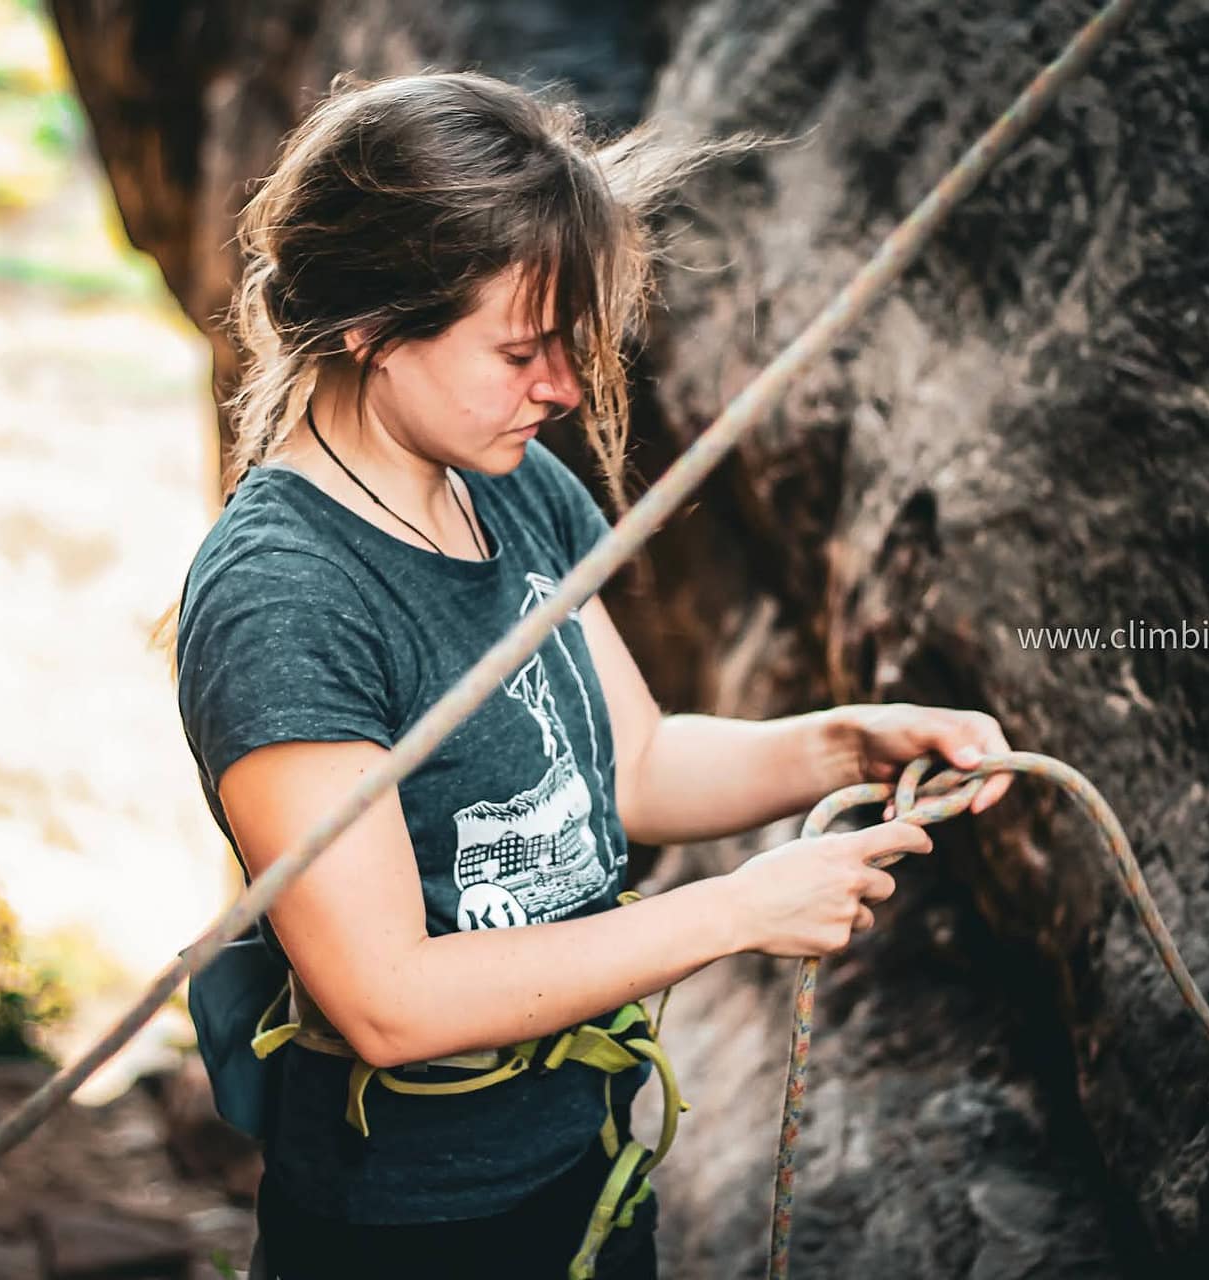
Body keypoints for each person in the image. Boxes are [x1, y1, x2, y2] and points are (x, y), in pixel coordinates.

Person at [171, 69, 1014, 1279]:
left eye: (568, 346)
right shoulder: (285, 598)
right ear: (365, 324)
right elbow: (384, 999)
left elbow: (631, 763)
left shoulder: (507, 481)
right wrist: (735, 909)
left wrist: (843, 743)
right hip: (407, 1227)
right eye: (518, 348)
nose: (561, 387)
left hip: (587, 1164)